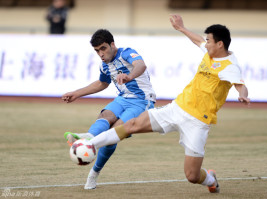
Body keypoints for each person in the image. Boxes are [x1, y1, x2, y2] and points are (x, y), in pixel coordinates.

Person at [87, 14, 250, 193]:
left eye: (209, 41)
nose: (205, 43)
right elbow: (197, 40)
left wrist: (243, 95)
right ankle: (89, 145)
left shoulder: (230, 66)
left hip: (198, 121)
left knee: (192, 176)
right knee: (132, 124)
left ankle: (211, 179)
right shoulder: (210, 52)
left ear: (220, 44)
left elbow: (240, 85)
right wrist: (181, 28)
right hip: (177, 108)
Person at [62, 29, 156, 189]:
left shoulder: (126, 52)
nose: (100, 53)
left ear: (112, 45)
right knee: (106, 115)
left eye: (103, 48)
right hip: (122, 99)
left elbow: (141, 65)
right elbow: (102, 84)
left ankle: (92, 168)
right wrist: (77, 94)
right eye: (97, 50)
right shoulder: (104, 65)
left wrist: (129, 76)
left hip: (142, 101)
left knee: (114, 133)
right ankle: (90, 137)